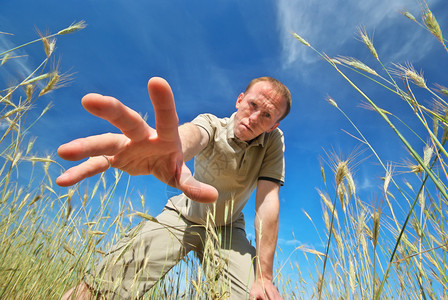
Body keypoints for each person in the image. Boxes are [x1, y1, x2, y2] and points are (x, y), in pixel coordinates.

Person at [58, 76, 291, 300]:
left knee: (256, 295)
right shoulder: (212, 123)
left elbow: (268, 200)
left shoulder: (273, 142)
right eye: (253, 105)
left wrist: (265, 276)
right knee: (107, 283)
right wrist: (173, 150)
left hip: (228, 228)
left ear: (273, 125)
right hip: (182, 216)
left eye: (267, 115)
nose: (254, 117)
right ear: (239, 100)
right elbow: (192, 135)